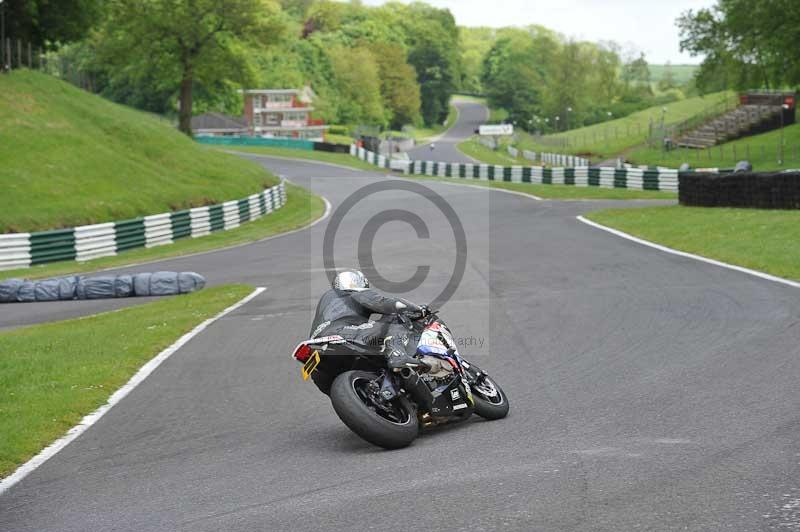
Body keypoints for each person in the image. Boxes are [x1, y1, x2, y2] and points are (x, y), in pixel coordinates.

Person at [309, 270, 428, 372]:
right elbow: (385, 304)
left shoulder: (327, 300)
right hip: (341, 332)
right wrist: (418, 309)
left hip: (315, 346)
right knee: (396, 317)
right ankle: (397, 354)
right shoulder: (353, 293)